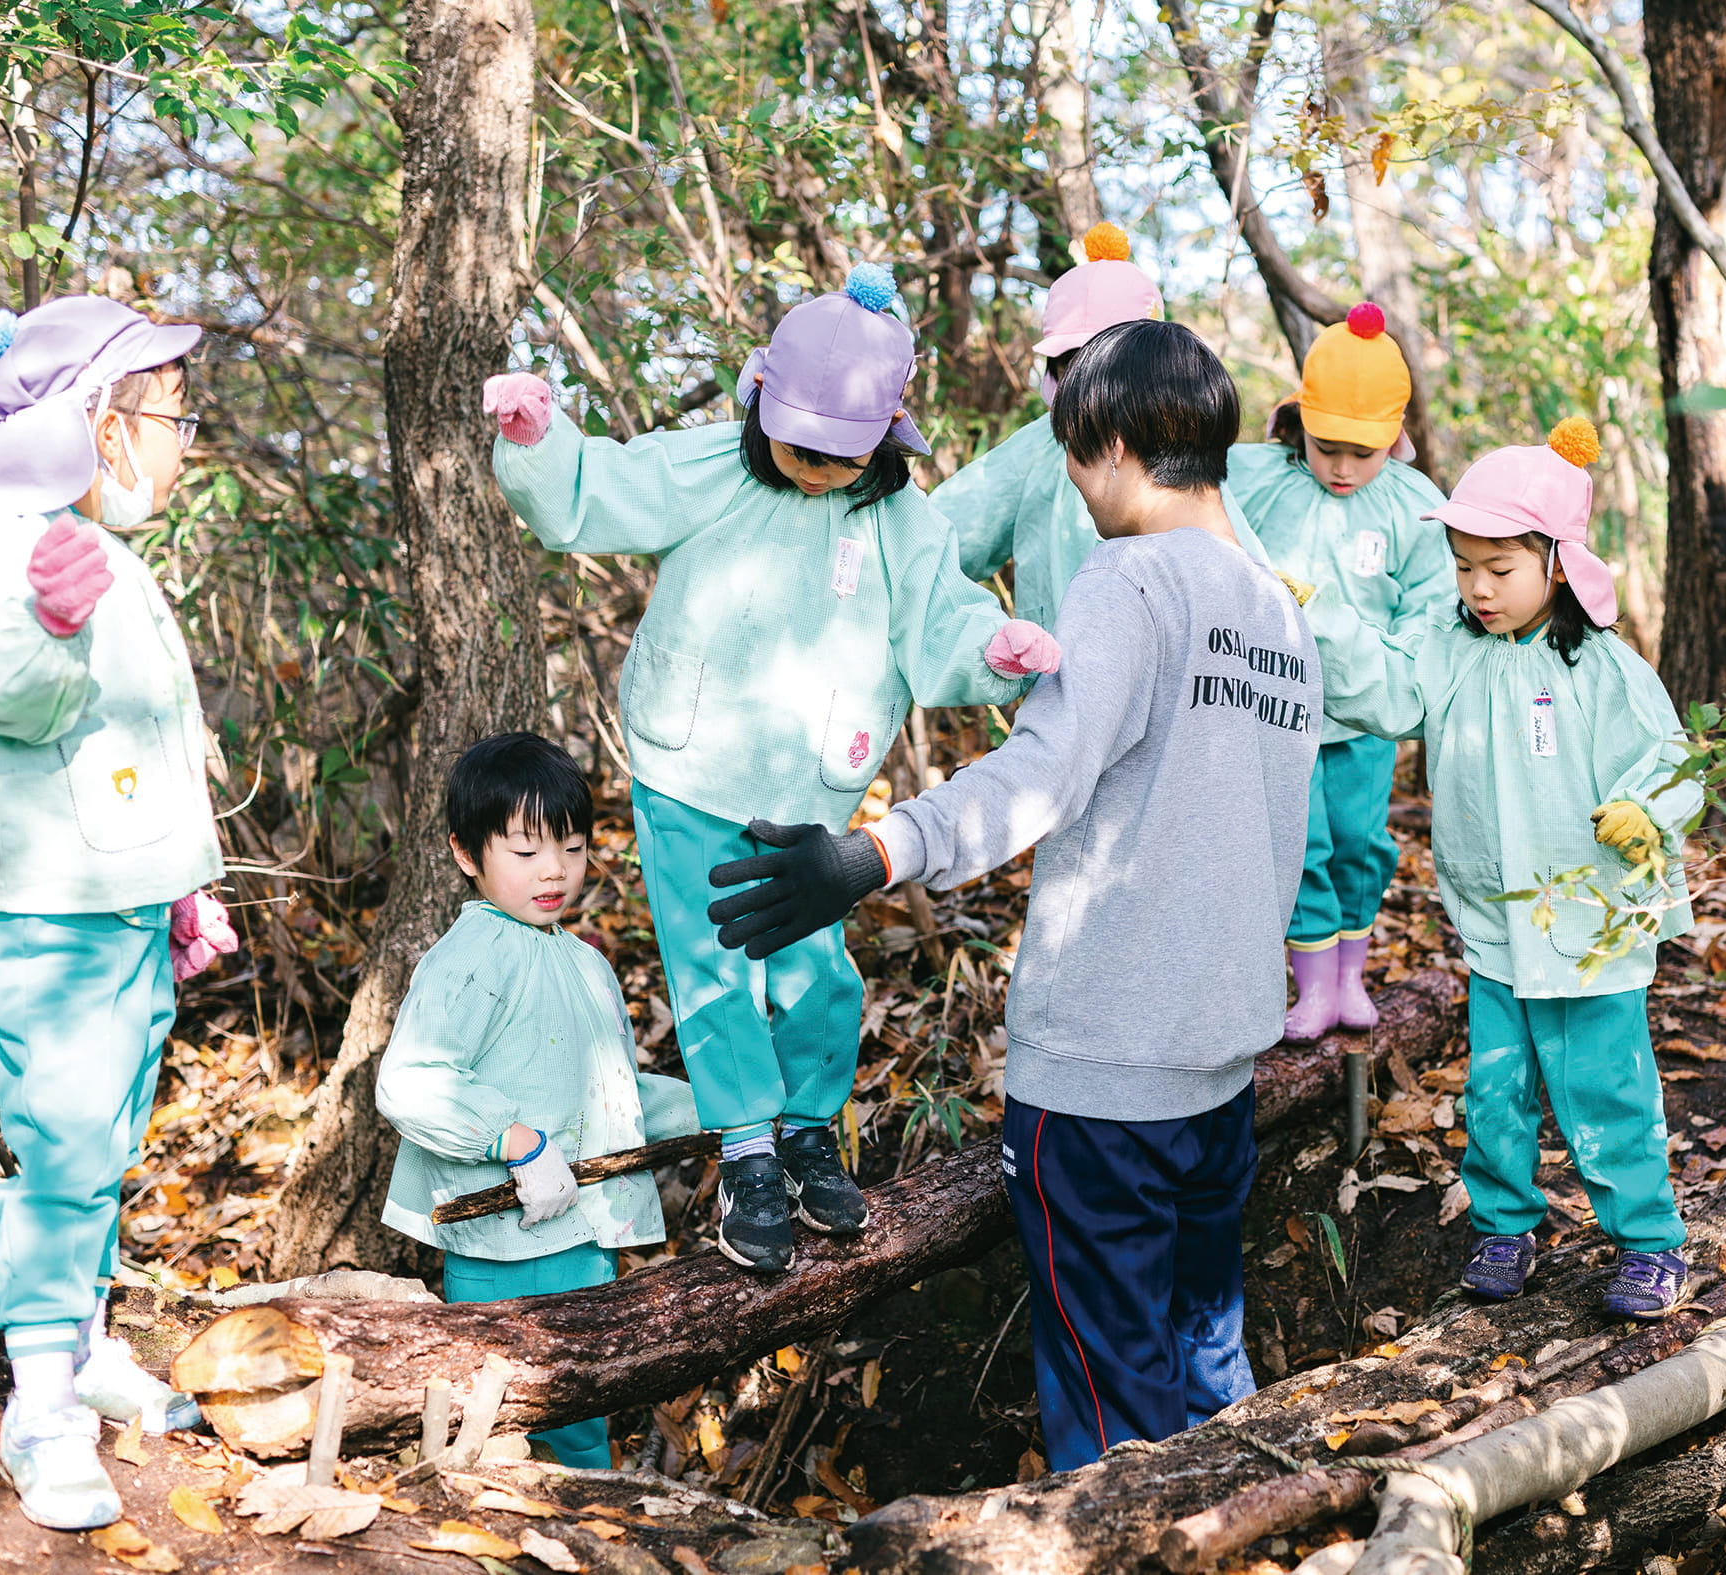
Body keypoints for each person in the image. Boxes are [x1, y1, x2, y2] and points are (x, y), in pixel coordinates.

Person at [701, 320, 1319, 1469]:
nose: (1074, 483)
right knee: (1206, 1366)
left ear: (1117, 447)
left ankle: (1138, 1542)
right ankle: (1248, 1520)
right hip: (1221, 1068)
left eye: (1074, 455)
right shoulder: (1278, 612)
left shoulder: (1129, 579)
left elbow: (1043, 770)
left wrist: (869, 857)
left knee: (1115, 1419)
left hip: (1102, 1079)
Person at [481, 264, 1060, 1275]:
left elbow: (943, 621)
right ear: (761, 407)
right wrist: (539, 444)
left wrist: (995, 650)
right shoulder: (713, 467)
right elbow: (603, 491)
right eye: (799, 448)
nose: (819, 471)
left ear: (886, 438)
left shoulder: (897, 521)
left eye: (842, 455)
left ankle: (806, 1129)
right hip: (689, 765)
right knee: (713, 973)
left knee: (814, 975)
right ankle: (747, 1150)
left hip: (810, 790)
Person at [0, 297, 242, 1530]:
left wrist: (177, 882)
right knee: (62, 1155)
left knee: (104, 1140)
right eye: (172, 419)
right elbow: (16, 700)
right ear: (100, 426)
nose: (183, 445)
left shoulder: (92, 547)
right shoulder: (7, 553)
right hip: (51, 916)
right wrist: (52, 624)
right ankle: (40, 1404)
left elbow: (135, 743)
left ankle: (83, 1341)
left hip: (118, 903)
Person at [1300, 418, 1702, 1320]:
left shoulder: (1604, 668)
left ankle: (1649, 1240)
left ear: (1557, 563)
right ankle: (1505, 1224)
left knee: (1606, 1085)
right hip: (1495, 917)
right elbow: (1385, 692)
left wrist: (1646, 811)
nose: (1477, 588)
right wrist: (1317, 618)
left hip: (1593, 924)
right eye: (1463, 567)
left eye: (1499, 568)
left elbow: (1672, 759)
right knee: (1496, 1087)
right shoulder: (1450, 649)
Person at [375, 732, 699, 1468]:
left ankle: (592, 1516)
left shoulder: (585, 964)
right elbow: (411, 1079)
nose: (554, 869)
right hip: (502, 1246)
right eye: (525, 851)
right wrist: (514, 1139)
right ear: (467, 854)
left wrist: (722, 1115)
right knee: (495, 1413)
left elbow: (615, 1096)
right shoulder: (472, 956)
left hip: (585, 1239)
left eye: (573, 848)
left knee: (581, 1411)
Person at [1230, 302, 1454, 1043]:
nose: (1344, 467)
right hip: (1275, 709)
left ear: (1396, 435)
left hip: (1364, 721)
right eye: (1327, 448)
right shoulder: (1255, 478)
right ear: (1300, 418)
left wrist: (1406, 682)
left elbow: (1432, 606)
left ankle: (1352, 976)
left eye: (1365, 452)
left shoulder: (1415, 507)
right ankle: (1313, 986)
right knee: (1301, 844)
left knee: (1361, 842)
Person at [936, 223, 1282, 621]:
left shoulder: (1185, 455)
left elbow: (1245, 585)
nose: (1093, 389)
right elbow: (933, 546)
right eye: (1078, 367)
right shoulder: (1035, 451)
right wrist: (990, 635)